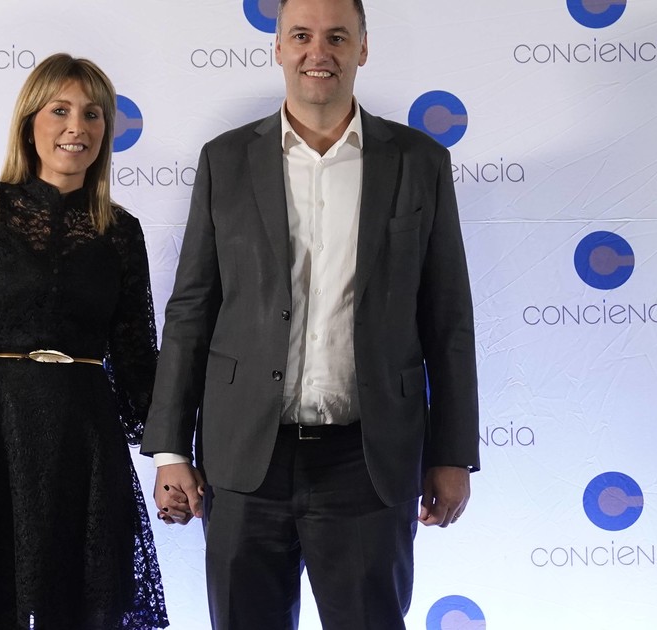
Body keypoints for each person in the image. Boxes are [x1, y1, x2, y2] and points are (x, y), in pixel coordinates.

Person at [140, 0, 480, 628]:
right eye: (301, 35)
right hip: (244, 457)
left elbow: (448, 320)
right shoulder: (225, 160)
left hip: (369, 461)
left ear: (362, 48)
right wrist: (169, 450)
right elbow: (191, 310)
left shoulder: (420, 162)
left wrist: (453, 453)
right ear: (278, 47)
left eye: (336, 37)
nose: (317, 52)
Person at [0, 53, 168, 630]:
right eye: (60, 110)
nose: (77, 127)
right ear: (30, 122)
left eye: (93, 114)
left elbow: (137, 360)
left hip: (87, 444)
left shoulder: (121, 232)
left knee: (85, 609)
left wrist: (173, 455)